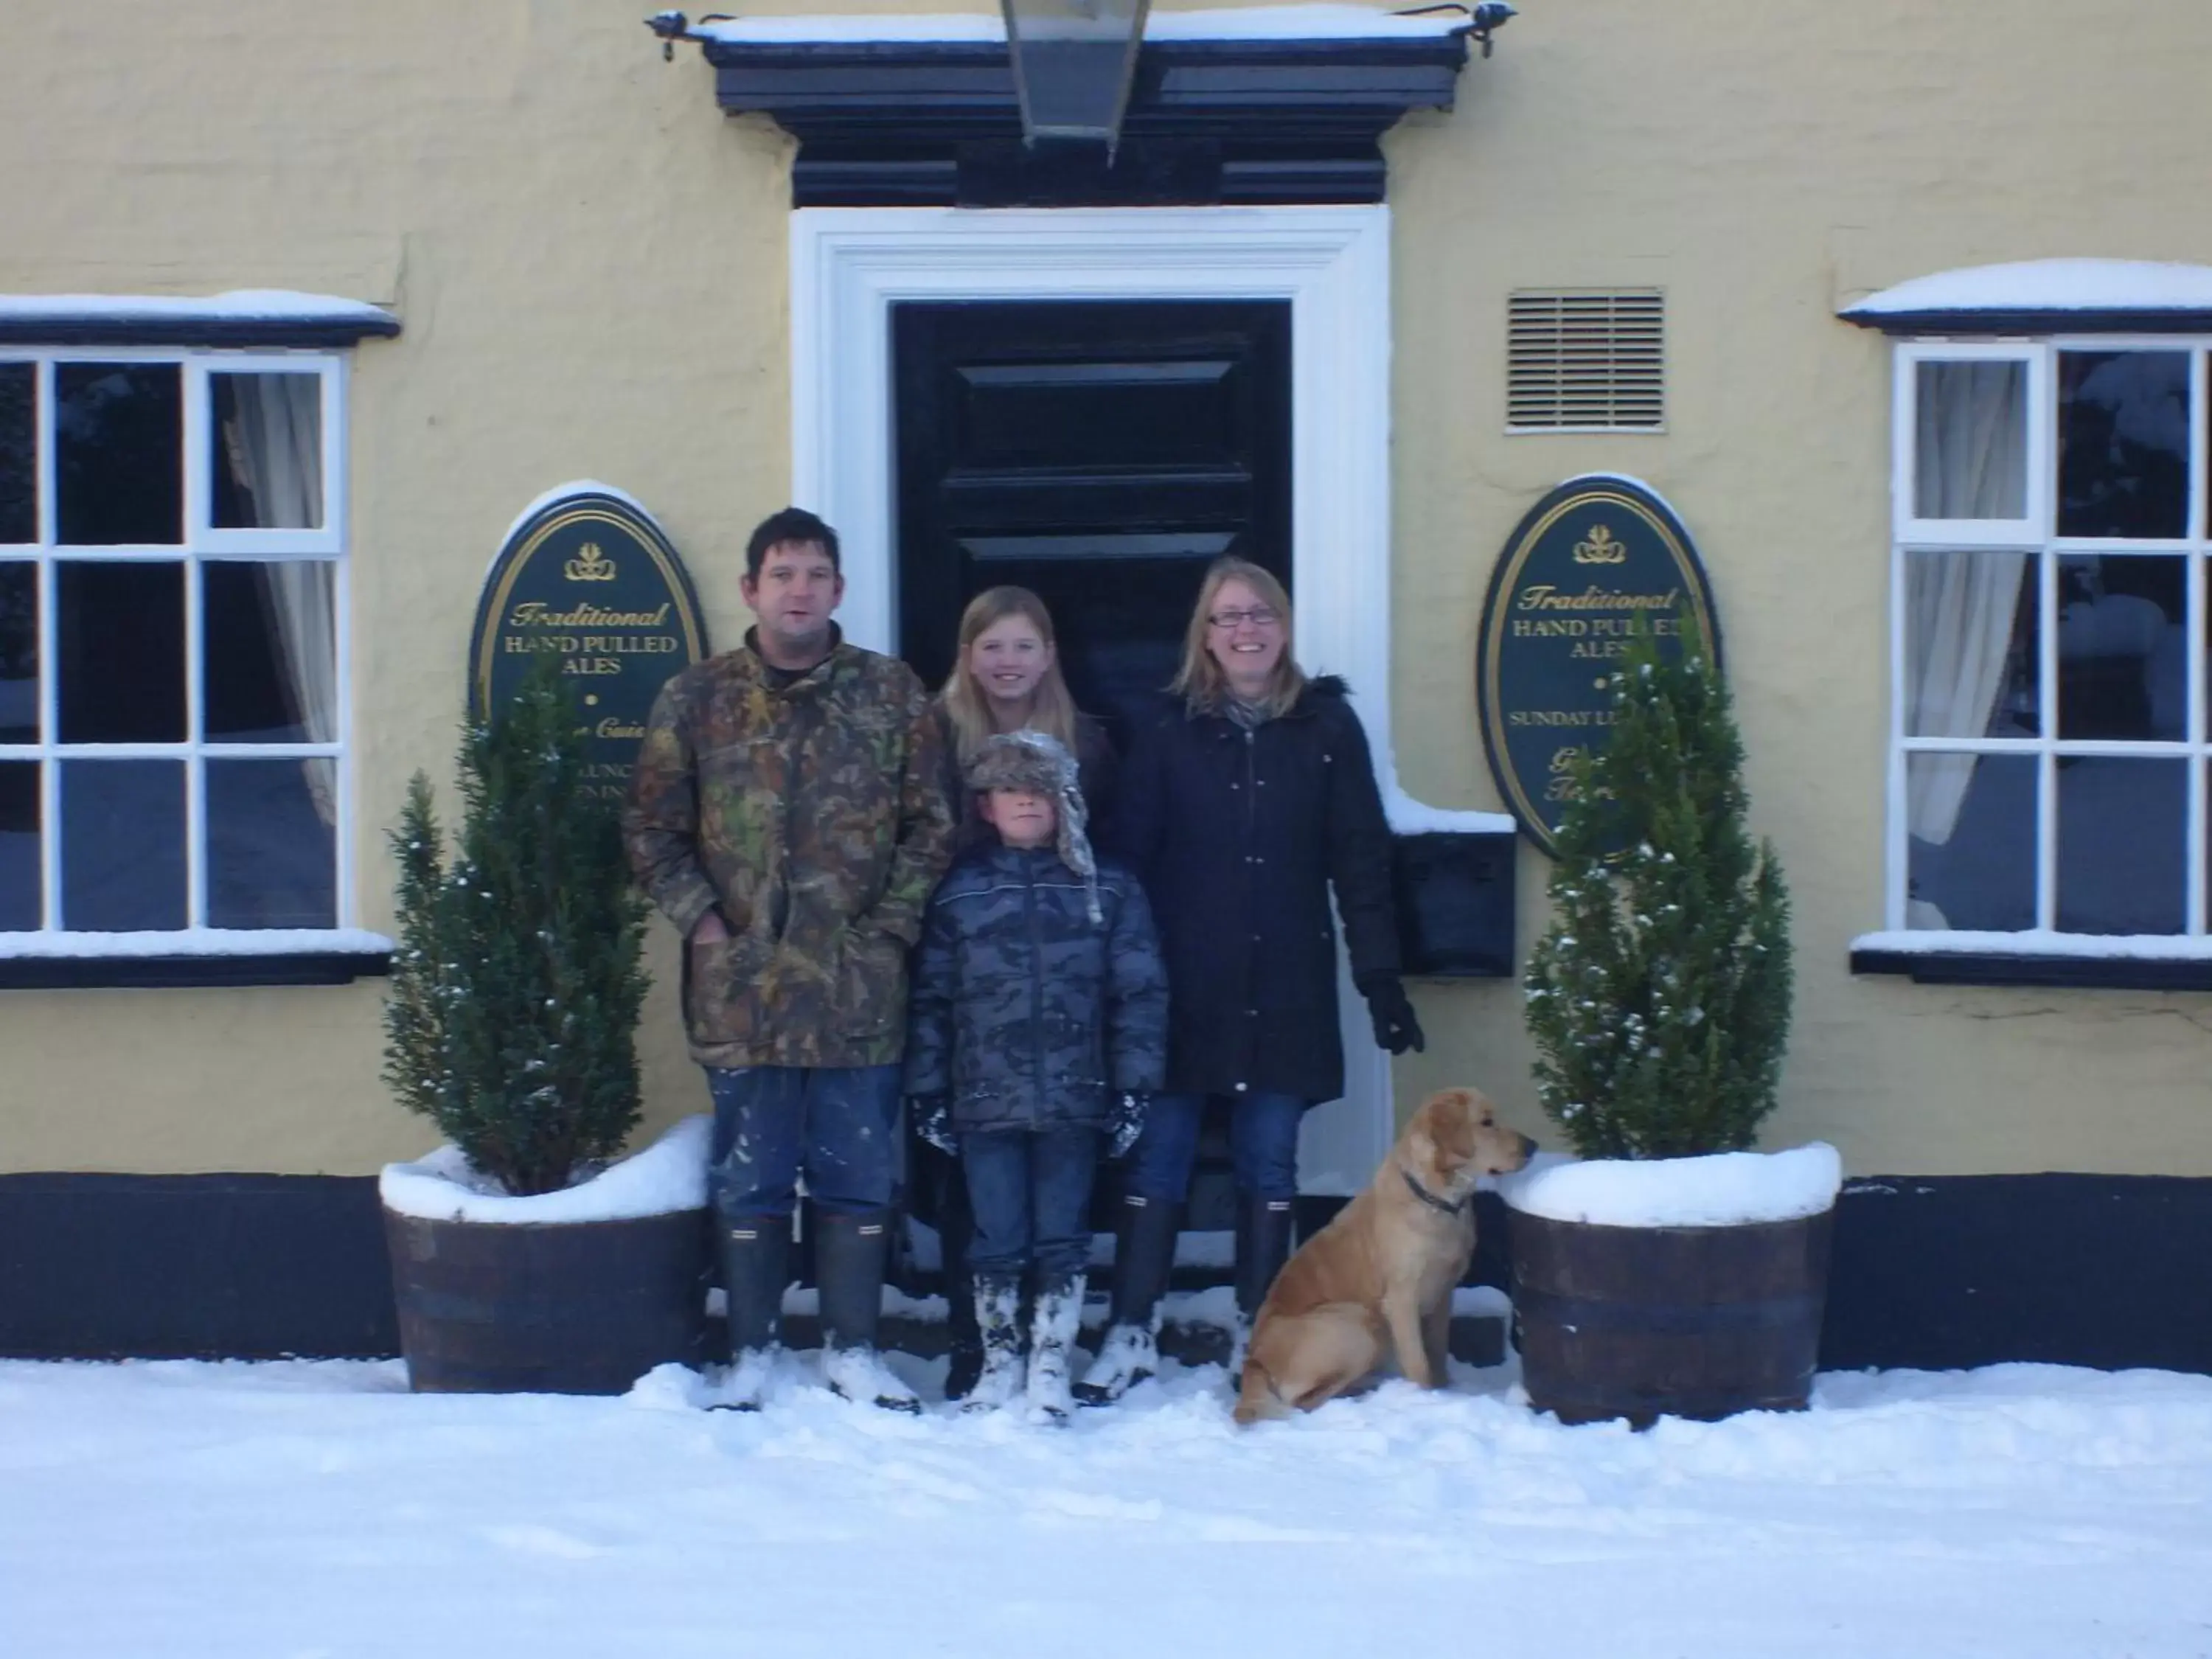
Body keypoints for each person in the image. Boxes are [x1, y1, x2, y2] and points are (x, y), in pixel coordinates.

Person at [624, 506, 955, 1413]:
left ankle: (854, 1349)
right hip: (743, 994)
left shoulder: (893, 696)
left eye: (815, 575)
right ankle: (755, 1355)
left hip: (856, 988)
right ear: (751, 590)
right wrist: (701, 924)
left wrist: (890, 926)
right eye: (782, 575)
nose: (799, 590)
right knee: (752, 1178)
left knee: (857, 1176)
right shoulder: (698, 700)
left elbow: (934, 827)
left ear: (839, 590)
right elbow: (652, 827)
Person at [1075, 556, 1425, 1406]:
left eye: (1261, 614)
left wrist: (1381, 980)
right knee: (1157, 1162)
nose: (1246, 630)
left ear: (1285, 626)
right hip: (1178, 990)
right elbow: (1125, 861)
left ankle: (1259, 1327)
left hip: (1287, 986)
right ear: (1205, 633)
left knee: (1270, 1164)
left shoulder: (1327, 728)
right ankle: (1130, 1329)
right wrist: (1110, 981)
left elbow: (1361, 861)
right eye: (1228, 617)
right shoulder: (1163, 731)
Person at [904, 731, 1167, 1420]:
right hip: (984, 1101)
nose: (1026, 800)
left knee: (1063, 1236)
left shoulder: (1105, 888)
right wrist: (928, 1088)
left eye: (1040, 788)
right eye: (1009, 789)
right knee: (996, 1238)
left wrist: (1134, 1084)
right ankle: (999, 1362)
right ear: (985, 807)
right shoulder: (958, 895)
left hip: (1077, 1102)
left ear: (1066, 801)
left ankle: (1051, 1362)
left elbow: (1138, 992)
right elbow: (930, 998)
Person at [923, 585, 1121, 1400]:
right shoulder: (932, 741)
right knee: (972, 1184)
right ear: (968, 656)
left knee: (1057, 1189)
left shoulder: (1095, 746)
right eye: (991, 646)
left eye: (1024, 646)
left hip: (1063, 1007)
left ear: (1049, 656)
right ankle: (977, 1342)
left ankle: (1048, 1344)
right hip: (967, 982)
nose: (1007, 662)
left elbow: (1109, 867)